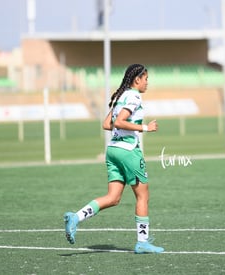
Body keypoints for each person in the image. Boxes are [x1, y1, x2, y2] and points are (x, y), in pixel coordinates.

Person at [64, 63, 164, 254]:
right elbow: (118, 122)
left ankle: (75, 217)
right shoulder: (134, 96)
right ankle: (142, 242)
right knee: (143, 196)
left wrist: (123, 127)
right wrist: (145, 128)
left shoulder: (121, 95)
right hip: (128, 151)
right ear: (137, 79)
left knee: (113, 197)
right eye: (146, 78)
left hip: (113, 150)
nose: (147, 82)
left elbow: (106, 124)